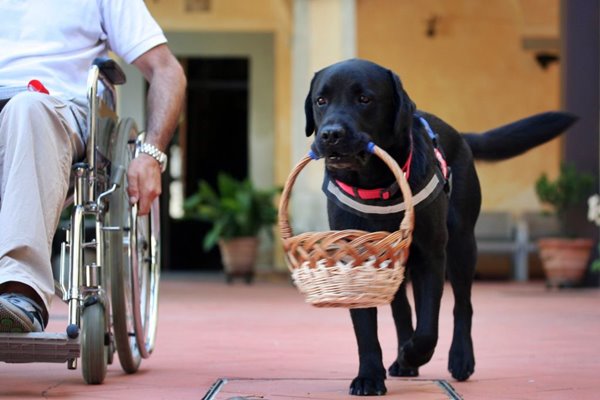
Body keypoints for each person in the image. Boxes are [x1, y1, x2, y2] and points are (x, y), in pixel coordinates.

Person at [0, 1, 186, 332]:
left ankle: (20, 291)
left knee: (26, 109)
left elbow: (166, 70)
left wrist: (151, 154)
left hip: (54, 108)